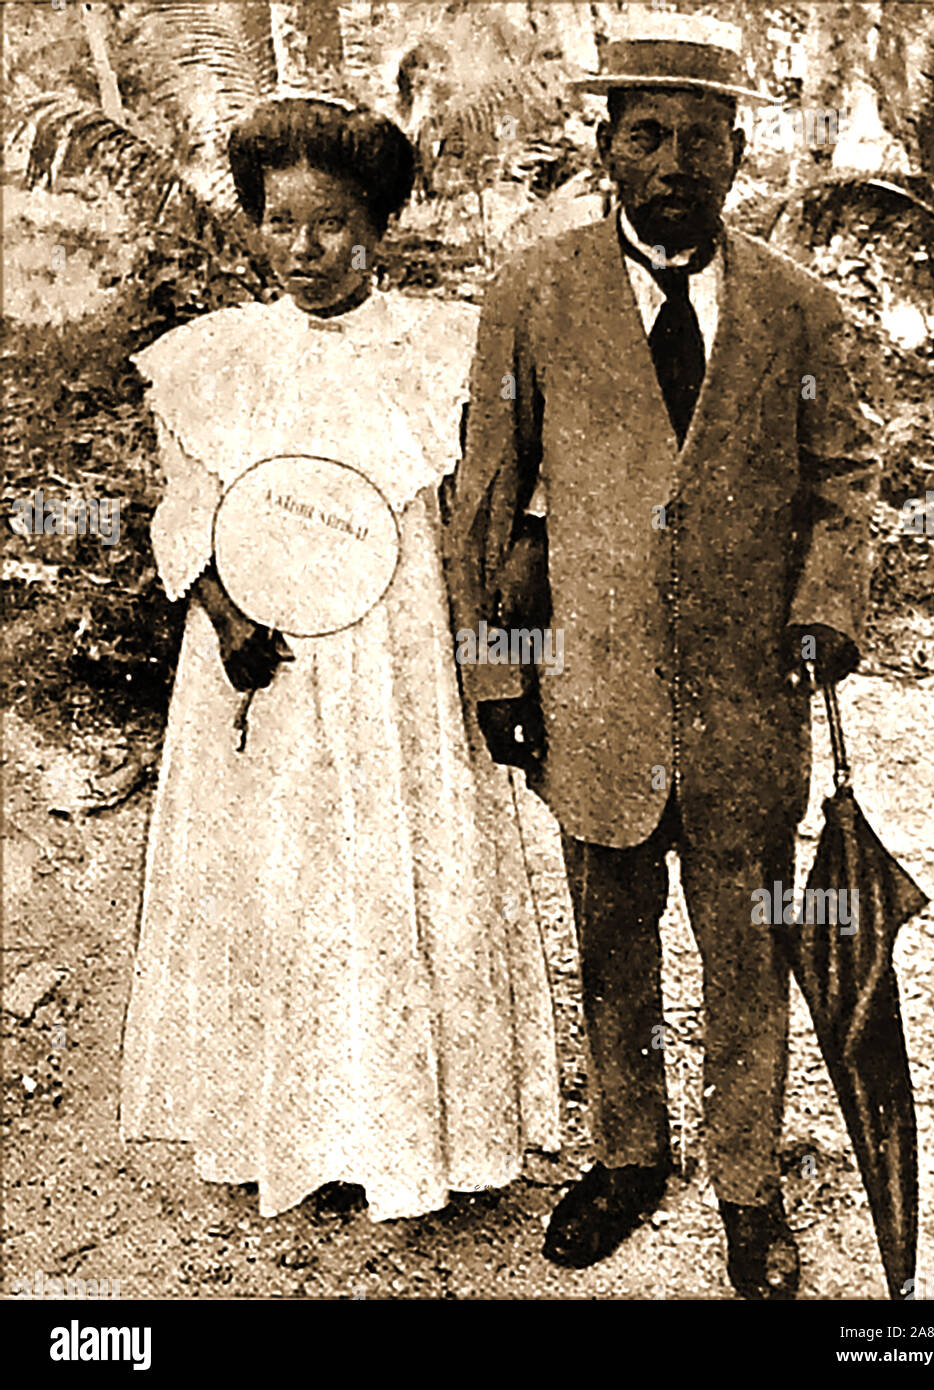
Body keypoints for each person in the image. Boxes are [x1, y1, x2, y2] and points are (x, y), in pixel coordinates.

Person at [445, 21, 878, 1297]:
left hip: (750, 704)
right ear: (603, 149)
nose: (673, 161)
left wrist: (826, 607)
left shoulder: (796, 306)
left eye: (700, 136)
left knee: (752, 943)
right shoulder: (531, 292)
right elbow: (488, 498)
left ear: (740, 153)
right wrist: (499, 672)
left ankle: (747, 1181)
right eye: (645, 134)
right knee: (611, 940)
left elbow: (845, 476)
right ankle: (627, 1154)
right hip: (598, 695)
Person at [120, 96, 559, 1224]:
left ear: (380, 224)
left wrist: (494, 643)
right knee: (285, 880)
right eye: (280, 224)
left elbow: (496, 512)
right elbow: (187, 518)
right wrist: (223, 618)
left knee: (401, 870)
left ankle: (410, 1136)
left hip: (398, 657)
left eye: (331, 226)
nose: (303, 252)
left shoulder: (443, 348)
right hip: (268, 661)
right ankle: (293, 1132)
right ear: (254, 226)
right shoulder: (216, 360)